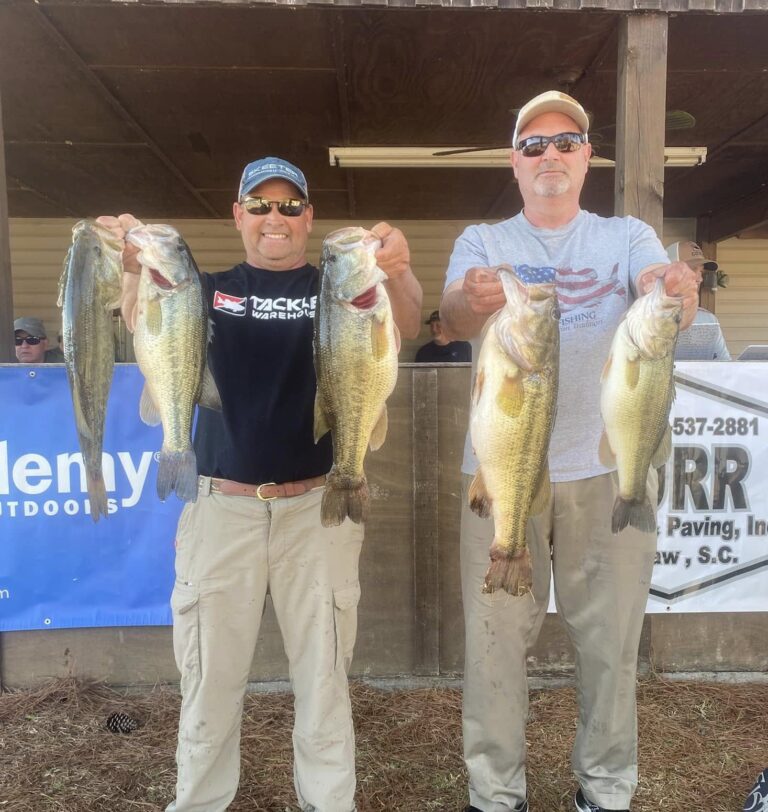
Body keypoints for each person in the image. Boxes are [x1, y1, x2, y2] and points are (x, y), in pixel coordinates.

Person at [98, 156, 422, 812]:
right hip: (221, 508)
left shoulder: (339, 285)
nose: (276, 218)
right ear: (238, 215)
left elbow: (405, 324)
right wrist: (131, 268)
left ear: (309, 219)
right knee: (209, 688)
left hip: (318, 505)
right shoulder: (202, 287)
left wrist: (401, 270)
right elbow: (144, 326)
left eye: (290, 206)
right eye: (261, 205)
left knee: (325, 687)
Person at [439, 91, 699, 812]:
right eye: (533, 145)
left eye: (565, 142)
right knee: (493, 647)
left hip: (604, 471)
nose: (548, 155)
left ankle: (606, 790)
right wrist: (473, 297)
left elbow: (663, 293)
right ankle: (495, 796)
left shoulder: (627, 237)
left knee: (610, 645)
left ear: (587, 156)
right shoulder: (481, 240)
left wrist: (674, 288)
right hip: (499, 477)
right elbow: (452, 316)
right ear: (514, 162)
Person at [665, 241, 731, 360]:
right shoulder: (644, 318)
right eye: (692, 269)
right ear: (668, 271)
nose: (699, 279)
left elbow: (725, 368)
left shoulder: (709, 320)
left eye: (700, 271)